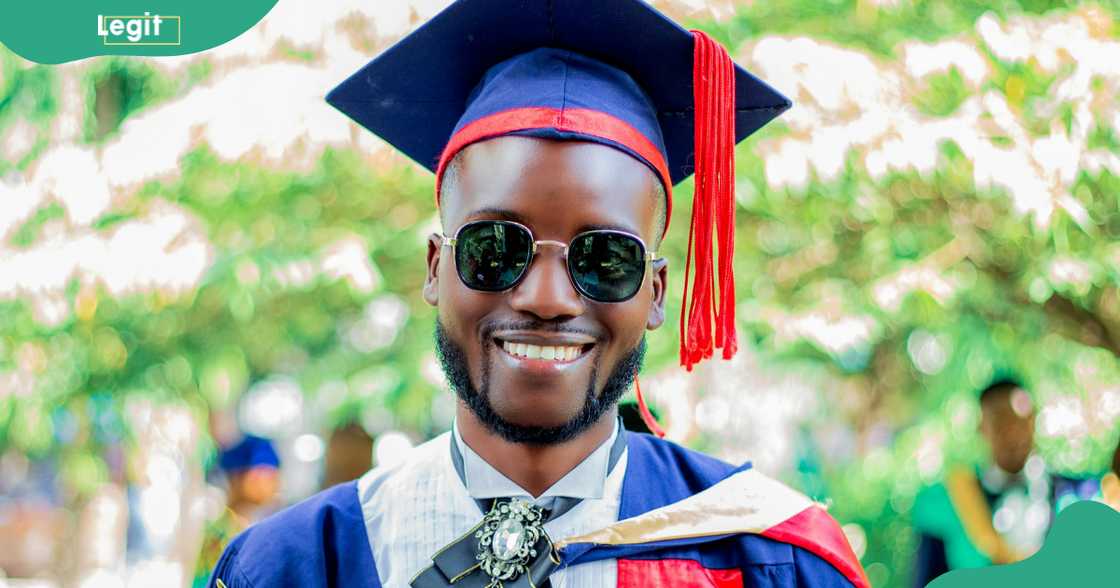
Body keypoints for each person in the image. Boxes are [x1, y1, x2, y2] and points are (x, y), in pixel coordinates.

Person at [208, 0, 867, 586]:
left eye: (605, 258)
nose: (547, 298)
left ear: (658, 291)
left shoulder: (771, 560)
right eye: (496, 248)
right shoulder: (297, 565)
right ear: (436, 267)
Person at [912, 378, 1051, 587]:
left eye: (1021, 421)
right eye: (1001, 422)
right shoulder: (947, 500)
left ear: (1034, 421)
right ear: (981, 428)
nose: (1012, 433)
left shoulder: (1074, 496)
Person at [193, 435, 281, 588]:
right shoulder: (218, 533)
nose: (271, 482)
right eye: (261, 473)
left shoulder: (262, 525)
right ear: (237, 476)